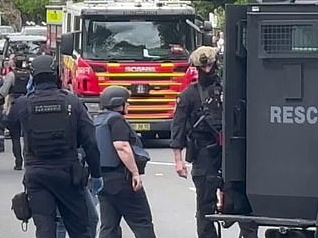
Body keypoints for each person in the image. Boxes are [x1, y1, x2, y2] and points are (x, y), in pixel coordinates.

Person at [7, 55, 103, 238]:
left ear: (32, 77)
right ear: (57, 74)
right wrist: (97, 175)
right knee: (79, 228)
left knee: (45, 228)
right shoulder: (72, 102)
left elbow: (8, 122)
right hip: (68, 174)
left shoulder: (24, 103)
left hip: (37, 174)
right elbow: (90, 142)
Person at [171, 46, 258, 238]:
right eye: (205, 66)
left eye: (210, 65)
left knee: (244, 204)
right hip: (204, 154)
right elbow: (178, 127)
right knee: (205, 208)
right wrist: (178, 160)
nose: (208, 70)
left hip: (231, 153)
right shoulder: (189, 95)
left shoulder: (229, 91)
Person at [95, 86, 156, 238]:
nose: (128, 105)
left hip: (103, 180)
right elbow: (122, 147)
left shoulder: (97, 121)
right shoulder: (116, 120)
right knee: (142, 222)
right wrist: (135, 173)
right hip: (122, 178)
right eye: (126, 102)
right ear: (118, 104)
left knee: (109, 226)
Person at [0, 54, 30, 170]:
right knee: (27, 136)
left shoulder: (11, 75)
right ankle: (28, 160)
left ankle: (18, 161)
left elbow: (4, 91)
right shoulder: (29, 75)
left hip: (13, 104)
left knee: (15, 136)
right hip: (28, 103)